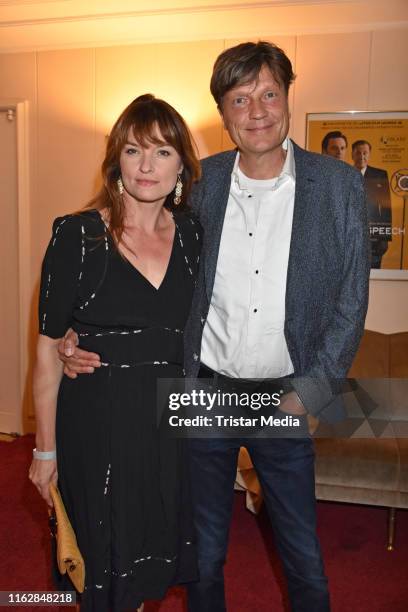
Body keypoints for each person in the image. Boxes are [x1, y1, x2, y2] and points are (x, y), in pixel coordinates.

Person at [60, 42, 370, 612]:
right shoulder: (200, 183)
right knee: (201, 554)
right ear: (223, 114)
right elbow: (149, 269)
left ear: (287, 97)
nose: (257, 111)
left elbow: (352, 299)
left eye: (269, 94)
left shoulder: (337, 187)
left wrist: (313, 392)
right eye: (240, 98)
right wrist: (79, 336)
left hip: (287, 396)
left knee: (303, 555)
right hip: (203, 392)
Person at [29, 94, 202, 612]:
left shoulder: (194, 234)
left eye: (163, 152)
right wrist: (44, 451)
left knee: (147, 557)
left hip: (167, 424)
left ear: (181, 168)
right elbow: (45, 353)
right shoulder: (77, 235)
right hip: (98, 425)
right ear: (116, 161)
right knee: (100, 564)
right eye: (133, 150)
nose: (147, 166)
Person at [352, 139, 392, 268]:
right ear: (352, 154)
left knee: (373, 271)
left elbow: (386, 208)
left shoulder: (380, 175)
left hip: (374, 237)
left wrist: (385, 237)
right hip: (350, 234)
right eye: (358, 153)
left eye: (365, 153)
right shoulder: (344, 173)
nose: (362, 156)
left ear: (369, 154)